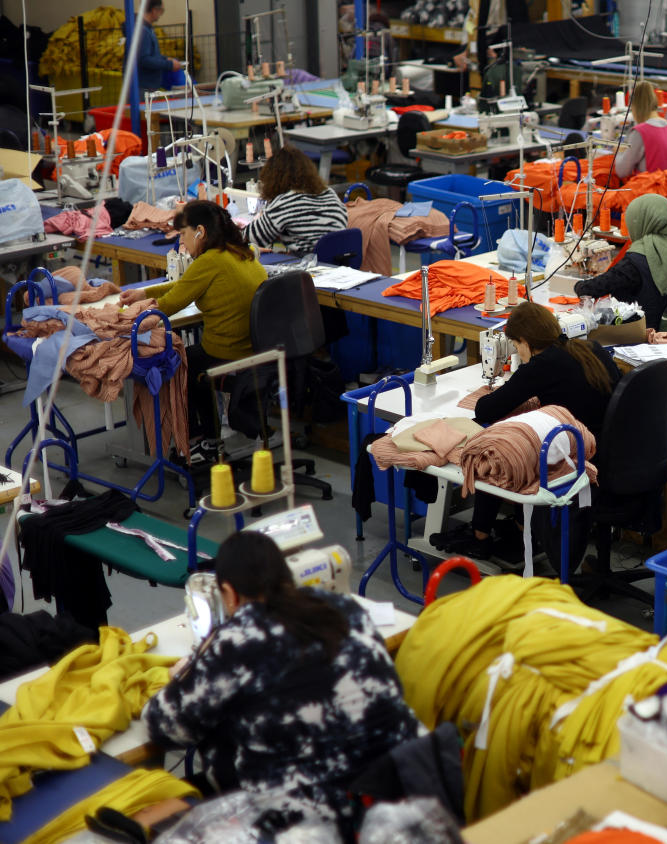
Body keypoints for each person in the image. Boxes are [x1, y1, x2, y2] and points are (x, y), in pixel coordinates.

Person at [144, 531, 419, 836]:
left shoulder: (237, 640)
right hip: (402, 789)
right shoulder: (344, 607)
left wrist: (190, 669)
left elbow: (165, 726)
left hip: (318, 823)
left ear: (229, 594)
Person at [432, 301, 620, 562]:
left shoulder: (541, 366)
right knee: (521, 436)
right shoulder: (590, 349)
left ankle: (480, 538)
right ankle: (521, 529)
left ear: (524, 341)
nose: (518, 353)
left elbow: (486, 410)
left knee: (495, 446)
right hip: (610, 450)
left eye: (517, 347)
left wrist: (505, 389)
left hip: (577, 460)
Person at [120, 201, 266, 463]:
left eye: (184, 234)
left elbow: (171, 304)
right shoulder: (243, 251)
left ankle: (205, 440)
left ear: (200, 231)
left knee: (182, 363)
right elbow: (185, 285)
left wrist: (127, 318)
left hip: (227, 351)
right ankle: (208, 437)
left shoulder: (210, 260)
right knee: (192, 355)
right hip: (255, 347)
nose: (183, 243)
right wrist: (143, 293)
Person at [573, 194, 667, 328]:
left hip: (642, 335)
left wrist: (577, 285)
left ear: (640, 222)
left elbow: (590, 289)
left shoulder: (635, 261)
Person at [246, 146, 349, 254]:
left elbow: (247, 239)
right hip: (336, 264)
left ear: (274, 178)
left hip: (308, 265)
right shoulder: (329, 193)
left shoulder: (285, 202)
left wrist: (259, 218)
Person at [614, 81, 667, 178]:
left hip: (650, 190)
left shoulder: (640, 132)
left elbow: (622, 172)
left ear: (635, 107)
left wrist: (618, 152)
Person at [135, 0, 183, 93]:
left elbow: (148, 55)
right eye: (161, 11)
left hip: (147, 85)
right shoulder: (143, 31)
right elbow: (144, 59)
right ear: (154, 10)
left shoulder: (146, 29)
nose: (160, 14)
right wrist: (169, 65)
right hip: (144, 87)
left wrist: (165, 59)